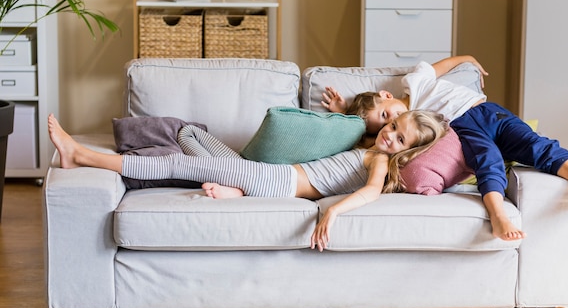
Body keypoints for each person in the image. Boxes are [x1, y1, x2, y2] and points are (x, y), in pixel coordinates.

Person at [48, 110, 448, 252]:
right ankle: (236, 188)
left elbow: (370, 191)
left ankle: (79, 154)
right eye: (393, 125)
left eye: (400, 138)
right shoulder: (370, 143)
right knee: (191, 135)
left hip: (275, 182)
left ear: (406, 152)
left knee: (175, 163)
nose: (389, 135)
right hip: (264, 176)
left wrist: (333, 214)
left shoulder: (380, 159)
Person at [322, 55, 568, 241]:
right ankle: (498, 216)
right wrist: (344, 110)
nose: (394, 121)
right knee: (489, 162)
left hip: (488, 112)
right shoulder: (412, 130)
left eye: (387, 114)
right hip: (463, 128)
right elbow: (374, 140)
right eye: (385, 124)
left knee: (535, 144)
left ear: (387, 95)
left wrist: (468, 60)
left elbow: (440, 67)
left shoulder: (414, 84)